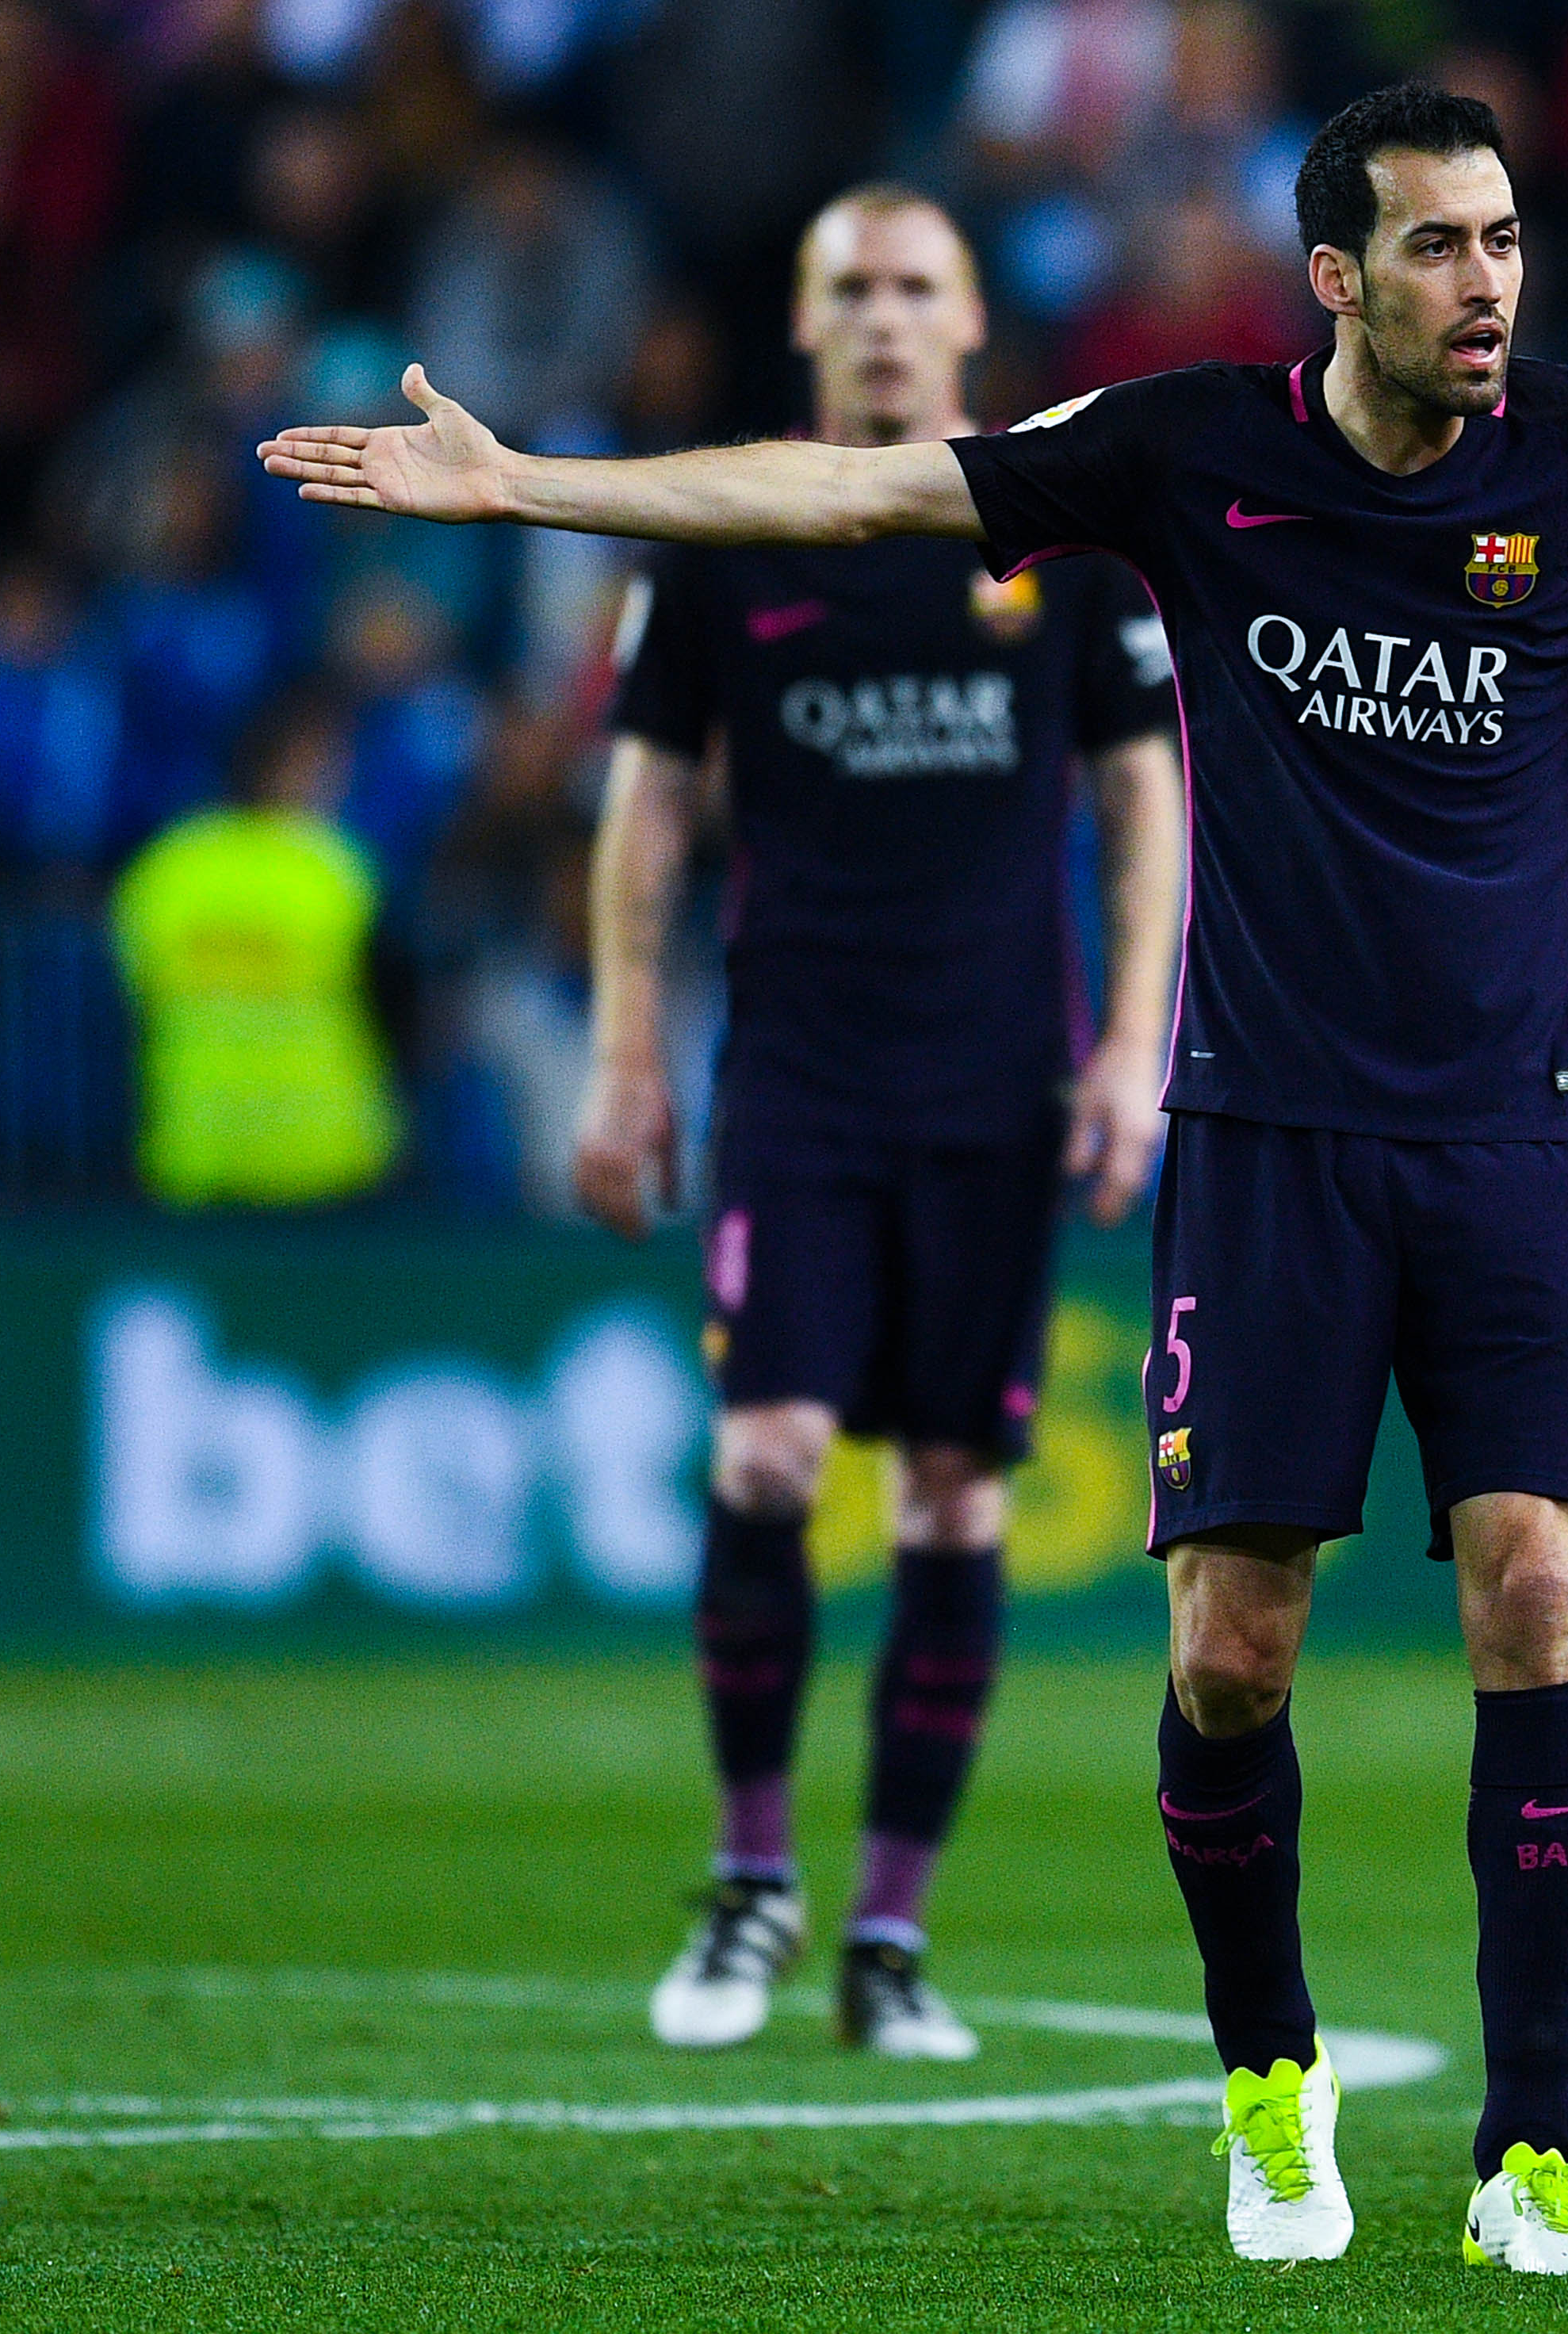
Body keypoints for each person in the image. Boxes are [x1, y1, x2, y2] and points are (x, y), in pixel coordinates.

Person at [259, 83, 1568, 2279]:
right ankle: (1268, 2094)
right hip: (1268, 1141)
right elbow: (863, 487)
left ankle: (1525, 2154)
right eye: (1439, 248)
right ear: (1336, 279)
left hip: (1513, 1130)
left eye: (1502, 242)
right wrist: (526, 484)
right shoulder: (1190, 449)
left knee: (1534, 1599)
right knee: (1231, 1663)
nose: (1487, 284)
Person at [579, 186, 1186, 2066]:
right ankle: (751, 1877)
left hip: (999, 1082)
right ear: (803, 323)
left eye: (917, 286)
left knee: (953, 1493)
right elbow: (648, 807)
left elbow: (1143, 793)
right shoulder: (715, 537)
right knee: (764, 1454)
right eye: (849, 285)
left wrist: (1129, 1047)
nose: (884, 317)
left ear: (972, 323)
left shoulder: (1060, 536)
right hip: (800, 1078)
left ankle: (888, 1929)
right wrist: (624, 1049)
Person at [112, 684, 403, 1209]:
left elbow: (132, 997)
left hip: (196, 1145)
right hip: (322, 1150)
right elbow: (392, 998)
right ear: (290, 765)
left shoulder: (167, 864)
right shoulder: (331, 866)